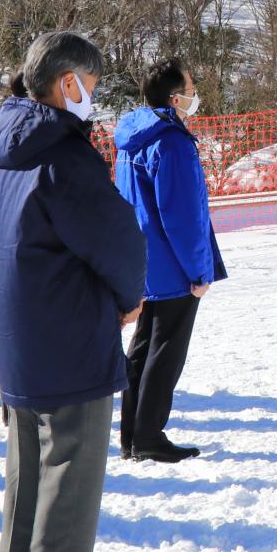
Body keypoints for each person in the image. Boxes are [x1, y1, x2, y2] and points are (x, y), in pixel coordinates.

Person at [0, 30, 144, 552]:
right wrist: (130, 295)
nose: (92, 101)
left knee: (26, 476)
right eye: (91, 88)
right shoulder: (63, 155)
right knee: (70, 477)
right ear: (67, 83)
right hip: (70, 331)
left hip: (19, 335)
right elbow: (116, 237)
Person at [113, 57, 226, 462]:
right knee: (165, 352)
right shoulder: (172, 142)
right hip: (172, 265)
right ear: (176, 98)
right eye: (192, 89)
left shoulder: (132, 134)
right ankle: (148, 436)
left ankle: (131, 433)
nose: (196, 96)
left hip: (142, 258)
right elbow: (183, 216)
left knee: (143, 348)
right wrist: (200, 270)